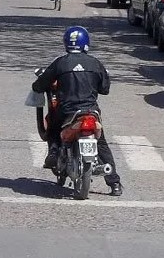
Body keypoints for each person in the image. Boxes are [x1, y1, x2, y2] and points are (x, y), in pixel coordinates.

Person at [32, 26, 123, 197]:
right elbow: (105, 89)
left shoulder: (60, 62)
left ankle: (53, 152)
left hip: (67, 111)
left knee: (53, 122)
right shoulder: (95, 63)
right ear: (86, 43)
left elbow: (40, 86)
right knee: (101, 144)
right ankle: (115, 183)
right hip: (91, 111)